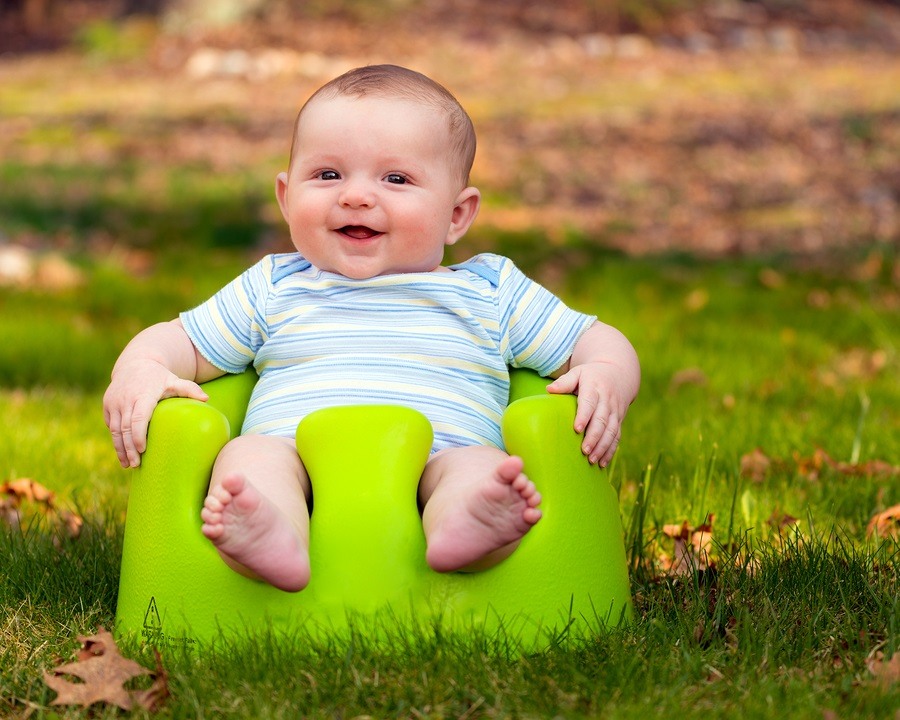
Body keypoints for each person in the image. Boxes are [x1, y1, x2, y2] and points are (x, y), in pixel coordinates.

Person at [103, 64, 640, 593]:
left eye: (396, 179)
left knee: (478, 471)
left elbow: (589, 338)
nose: (356, 196)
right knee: (251, 460)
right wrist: (143, 368)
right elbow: (183, 340)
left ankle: (472, 527)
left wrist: (607, 372)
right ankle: (268, 533)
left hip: (439, 459)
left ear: (457, 215)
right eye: (329, 175)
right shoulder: (274, 286)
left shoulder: (490, 291)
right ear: (287, 198)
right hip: (300, 464)